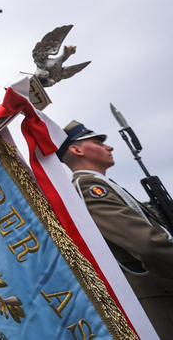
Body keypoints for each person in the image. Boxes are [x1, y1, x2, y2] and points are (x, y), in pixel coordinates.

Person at [58, 120, 173, 339]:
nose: (108, 147)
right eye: (97, 141)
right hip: (159, 302)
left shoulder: (102, 185)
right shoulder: (89, 187)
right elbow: (147, 245)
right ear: (76, 149)